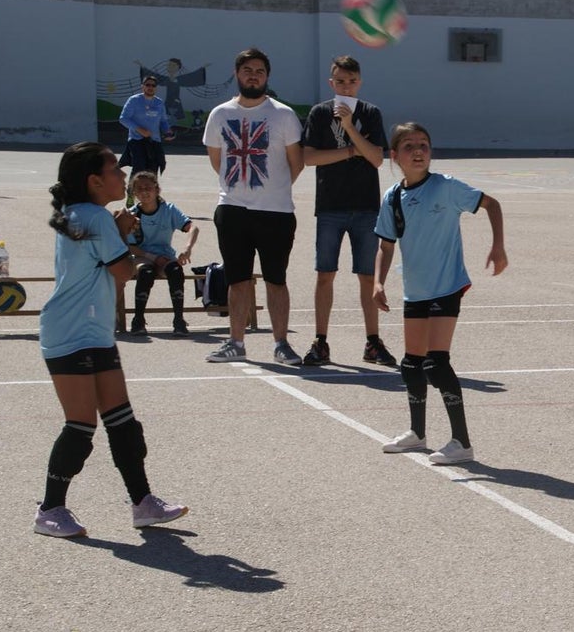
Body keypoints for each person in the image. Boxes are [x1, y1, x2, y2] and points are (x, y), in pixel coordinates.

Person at [34, 142, 188, 538]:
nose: (123, 177)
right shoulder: (97, 218)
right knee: (80, 427)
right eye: (115, 171)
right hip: (72, 332)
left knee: (122, 422)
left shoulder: (77, 214)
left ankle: (143, 503)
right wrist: (122, 235)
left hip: (91, 330)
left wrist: (118, 234)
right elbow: (123, 271)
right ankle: (50, 509)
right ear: (94, 181)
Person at [373, 122, 507, 464]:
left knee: (437, 362)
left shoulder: (446, 188)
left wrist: (498, 247)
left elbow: (492, 204)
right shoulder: (392, 197)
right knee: (411, 363)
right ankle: (417, 434)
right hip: (414, 290)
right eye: (409, 146)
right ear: (394, 156)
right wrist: (378, 282)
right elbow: (386, 245)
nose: (418, 151)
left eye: (424, 145)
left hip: (446, 285)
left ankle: (461, 442)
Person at [202, 48, 304, 364]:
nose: (253, 75)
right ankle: (236, 342)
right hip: (232, 209)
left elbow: (295, 163)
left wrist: (271, 191)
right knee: (237, 279)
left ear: (267, 76)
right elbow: (216, 161)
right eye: (247, 69)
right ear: (237, 74)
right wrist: (239, 189)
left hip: (275, 212)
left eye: (259, 70)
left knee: (276, 279)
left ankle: (282, 344)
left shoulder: (283, 115)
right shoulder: (220, 114)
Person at [300, 55, 395, 367]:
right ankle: (321, 340)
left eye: (351, 81)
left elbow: (377, 158)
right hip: (330, 206)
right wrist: (351, 151)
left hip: (366, 206)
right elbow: (310, 158)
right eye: (340, 81)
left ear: (360, 82)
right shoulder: (318, 112)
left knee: (367, 277)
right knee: (325, 273)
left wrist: (350, 128)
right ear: (331, 83)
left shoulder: (370, 113)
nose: (346, 86)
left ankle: (372, 342)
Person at [126, 171, 199, 336]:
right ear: (134, 192)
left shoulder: (169, 210)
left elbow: (193, 227)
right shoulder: (131, 214)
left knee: (175, 270)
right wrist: (153, 257)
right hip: (142, 256)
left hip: (164, 255)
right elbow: (129, 246)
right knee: (146, 272)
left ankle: (179, 320)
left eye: (148, 188)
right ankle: (138, 320)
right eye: (139, 188)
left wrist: (187, 249)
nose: (144, 192)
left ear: (157, 190)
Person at [118, 75, 174, 186]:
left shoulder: (159, 103)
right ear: (142, 87)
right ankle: (131, 193)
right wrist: (139, 129)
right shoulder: (134, 100)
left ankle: (151, 195)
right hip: (136, 140)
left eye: (153, 85)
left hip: (154, 141)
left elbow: (163, 121)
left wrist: (168, 132)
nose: (150, 87)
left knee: (153, 170)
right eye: (147, 85)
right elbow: (123, 119)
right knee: (139, 168)